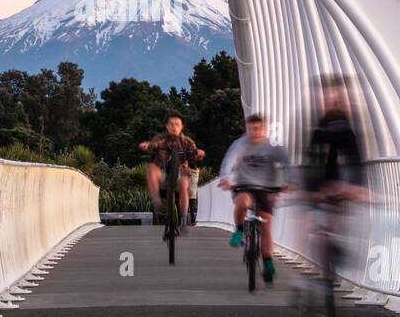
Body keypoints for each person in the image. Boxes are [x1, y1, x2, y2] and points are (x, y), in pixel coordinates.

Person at [301, 75, 368, 289]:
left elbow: (355, 158)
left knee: (342, 211)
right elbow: (313, 159)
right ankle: (321, 263)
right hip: (320, 177)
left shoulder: (346, 125)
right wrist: (313, 190)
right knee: (319, 224)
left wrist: (357, 187)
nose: (337, 100)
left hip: (337, 178)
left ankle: (335, 252)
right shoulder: (322, 125)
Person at [218, 113, 291, 283]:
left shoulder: (273, 146)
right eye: (251, 129)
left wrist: (289, 180)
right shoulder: (240, 144)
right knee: (243, 202)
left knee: (266, 225)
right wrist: (225, 178)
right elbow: (229, 161)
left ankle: (268, 262)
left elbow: (286, 162)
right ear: (246, 129)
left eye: (258, 129)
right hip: (244, 184)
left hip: (267, 187)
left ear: (264, 129)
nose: (255, 132)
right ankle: (239, 230)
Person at [138, 112, 204, 227]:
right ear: (167, 126)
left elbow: (194, 155)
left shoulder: (187, 141)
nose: (174, 127)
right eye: (171, 124)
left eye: (177, 124)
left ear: (182, 126)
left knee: (184, 183)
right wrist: (146, 145)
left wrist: (199, 153)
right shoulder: (160, 139)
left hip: (181, 175)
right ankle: (156, 199)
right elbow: (153, 146)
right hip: (163, 175)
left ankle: (183, 218)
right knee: (151, 168)